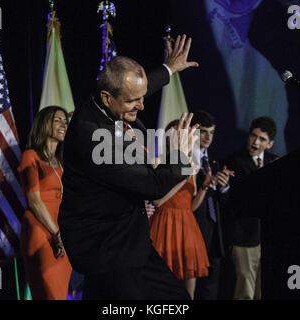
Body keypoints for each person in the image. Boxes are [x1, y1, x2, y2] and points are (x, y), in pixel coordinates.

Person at [58, 35, 200, 299]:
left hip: (125, 241)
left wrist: (168, 69)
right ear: (107, 97)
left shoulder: (103, 101)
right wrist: (179, 153)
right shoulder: (93, 138)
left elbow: (136, 90)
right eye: (133, 101)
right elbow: (154, 185)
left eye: (142, 97)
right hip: (107, 247)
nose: (142, 106)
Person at [149, 119, 211, 300]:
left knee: (188, 293)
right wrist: (181, 179)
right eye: (173, 133)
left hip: (187, 228)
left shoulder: (191, 168)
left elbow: (190, 206)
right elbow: (158, 201)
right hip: (163, 225)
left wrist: (204, 188)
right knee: (159, 289)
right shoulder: (157, 162)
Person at [17, 106, 72, 300]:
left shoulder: (62, 162)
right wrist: (56, 234)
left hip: (63, 235)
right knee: (49, 293)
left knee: (59, 294)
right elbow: (34, 201)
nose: (63, 124)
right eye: (57, 120)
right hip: (41, 232)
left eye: (65, 121)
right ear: (44, 124)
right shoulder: (30, 156)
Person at [225, 116, 278, 300]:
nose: (256, 142)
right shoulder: (233, 161)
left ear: (270, 144)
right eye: (253, 136)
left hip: (268, 237)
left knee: (264, 289)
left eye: (262, 139)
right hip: (243, 236)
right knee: (245, 290)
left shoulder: (275, 162)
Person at [189, 110, 234, 300]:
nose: (208, 137)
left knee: (211, 289)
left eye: (212, 132)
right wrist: (206, 185)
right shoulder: (186, 160)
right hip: (193, 231)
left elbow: (223, 202)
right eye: (204, 132)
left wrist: (224, 187)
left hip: (215, 235)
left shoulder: (215, 162)